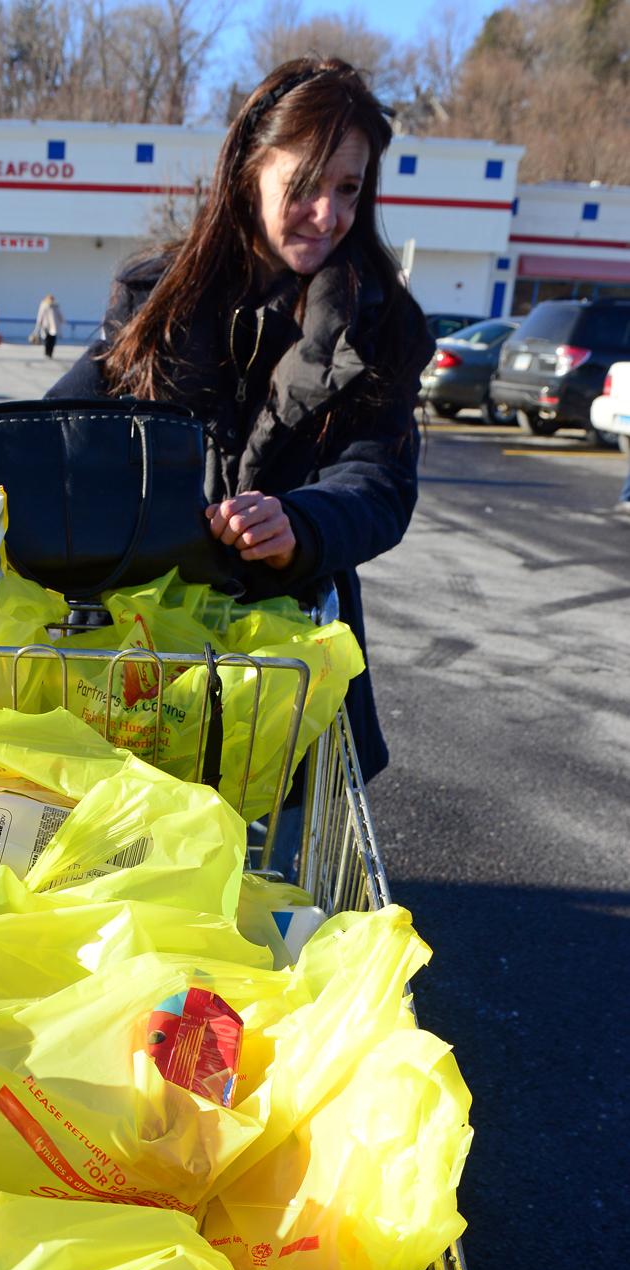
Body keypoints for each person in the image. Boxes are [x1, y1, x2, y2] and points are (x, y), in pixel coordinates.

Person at [48, 56, 434, 784]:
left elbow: (377, 481)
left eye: (348, 189)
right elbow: (57, 427)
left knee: (277, 881)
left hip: (284, 678)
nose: (329, 215)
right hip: (141, 665)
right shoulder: (154, 299)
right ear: (247, 172)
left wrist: (301, 523)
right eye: (305, 186)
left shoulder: (383, 323)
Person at [33, 293, 64, 358]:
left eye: (52, 299)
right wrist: (38, 324)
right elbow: (40, 315)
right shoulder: (44, 306)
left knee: (53, 340)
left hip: (54, 327)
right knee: (47, 340)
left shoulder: (55, 306)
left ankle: (50, 353)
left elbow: (59, 315)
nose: (51, 300)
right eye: (50, 298)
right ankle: (47, 352)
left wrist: (62, 320)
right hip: (46, 326)